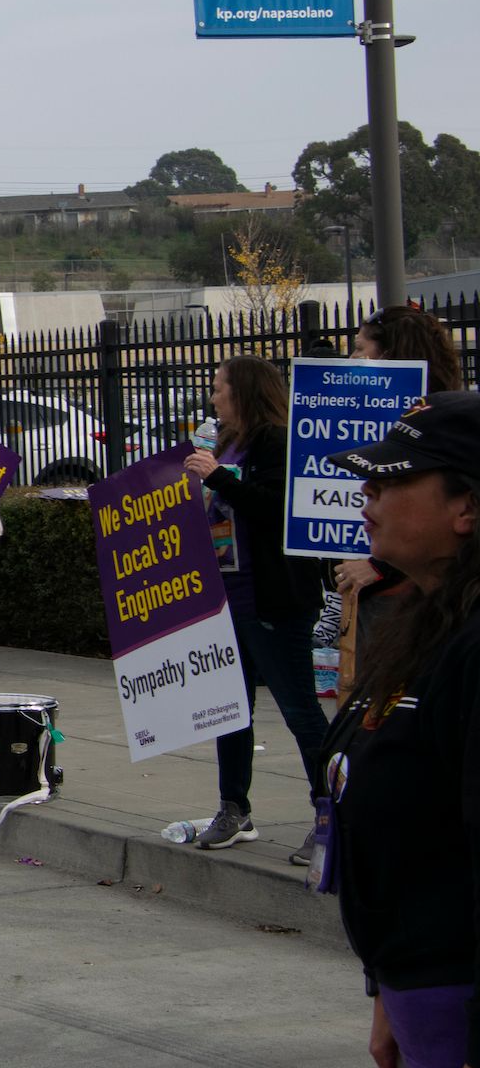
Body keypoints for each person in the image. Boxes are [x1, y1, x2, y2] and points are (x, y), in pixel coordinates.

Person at [318, 391, 480, 1068]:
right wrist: (385, 985)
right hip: (418, 982)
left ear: (467, 508)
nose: (366, 495)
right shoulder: (426, 622)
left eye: (391, 482)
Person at [180, 356, 329, 862]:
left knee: (300, 710)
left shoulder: (276, 442)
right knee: (230, 710)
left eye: (219, 388)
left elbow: (275, 509)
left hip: (274, 599)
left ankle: (330, 814)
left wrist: (219, 478)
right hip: (228, 598)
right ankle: (233, 807)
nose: (213, 397)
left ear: (242, 392)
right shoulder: (226, 442)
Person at [338, 304, 468, 695]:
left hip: (401, 594)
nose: (353, 358)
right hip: (372, 591)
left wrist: (378, 565)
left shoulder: (436, 426)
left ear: (390, 355)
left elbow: (429, 517)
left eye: (361, 349)